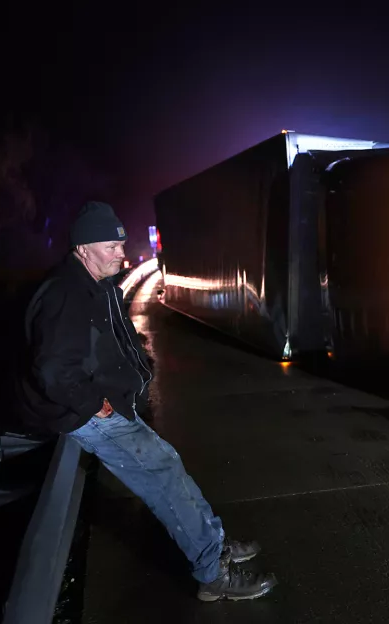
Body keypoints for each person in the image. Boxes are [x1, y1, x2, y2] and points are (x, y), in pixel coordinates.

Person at [15, 201, 278, 602]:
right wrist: (95, 404)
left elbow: (114, 339)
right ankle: (213, 574)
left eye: (122, 245)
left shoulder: (98, 284)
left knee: (167, 465)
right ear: (82, 248)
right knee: (161, 475)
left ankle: (214, 542)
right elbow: (52, 370)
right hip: (87, 411)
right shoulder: (67, 294)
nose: (121, 254)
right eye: (111, 246)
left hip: (108, 403)